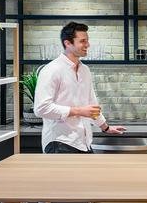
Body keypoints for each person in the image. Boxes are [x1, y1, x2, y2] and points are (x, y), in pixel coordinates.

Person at [34, 21, 126, 153]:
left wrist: (105, 127)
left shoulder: (85, 70)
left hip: (83, 142)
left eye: (87, 40)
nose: (87, 45)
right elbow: (41, 108)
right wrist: (78, 111)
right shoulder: (52, 70)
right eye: (83, 41)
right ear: (68, 43)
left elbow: (92, 104)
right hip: (59, 142)